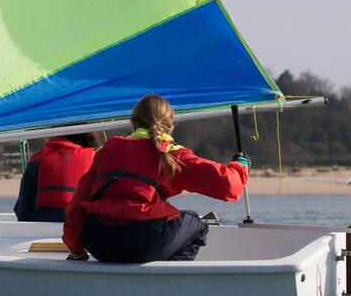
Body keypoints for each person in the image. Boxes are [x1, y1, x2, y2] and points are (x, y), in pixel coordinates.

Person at [62, 94, 249, 263]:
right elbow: (229, 186)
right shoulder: (173, 155)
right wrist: (241, 166)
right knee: (195, 222)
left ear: (133, 122)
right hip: (143, 242)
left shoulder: (105, 151)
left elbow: (77, 205)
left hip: (99, 241)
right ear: (171, 126)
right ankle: (166, 283)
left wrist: (76, 250)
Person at [12, 133, 99, 222]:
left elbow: (22, 209)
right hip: (78, 228)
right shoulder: (93, 159)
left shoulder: (37, 160)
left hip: (42, 225)